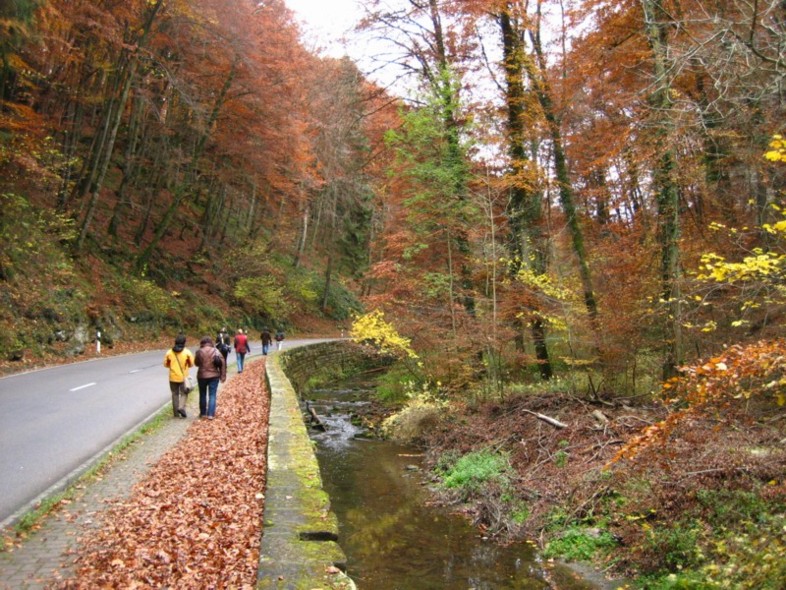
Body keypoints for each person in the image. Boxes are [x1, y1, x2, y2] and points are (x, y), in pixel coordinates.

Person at [163, 334, 195, 418]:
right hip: (183, 377)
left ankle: (176, 414)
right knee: (184, 392)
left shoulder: (169, 352)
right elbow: (191, 364)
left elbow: (165, 364)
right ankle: (181, 407)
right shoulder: (187, 352)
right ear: (184, 342)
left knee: (174, 394)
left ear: (175, 342)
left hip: (172, 377)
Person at [194, 336, 226, 419]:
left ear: (202, 343)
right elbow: (222, 363)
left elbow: (196, 363)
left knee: (202, 394)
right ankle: (211, 414)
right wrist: (223, 376)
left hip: (202, 376)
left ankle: (203, 413)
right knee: (212, 395)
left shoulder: (199, 351)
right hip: (214, 376)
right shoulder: (216, 351)